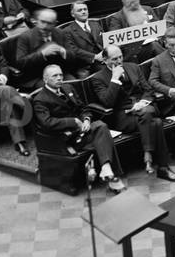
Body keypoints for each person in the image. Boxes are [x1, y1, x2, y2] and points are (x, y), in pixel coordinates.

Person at [91, 45, 175, 181]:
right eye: (114, 59)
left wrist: (143, 102)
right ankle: (162, 167)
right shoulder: (98, 78)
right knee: (156, 122)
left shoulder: (133, 67)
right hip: (125, 116)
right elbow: (108, 102)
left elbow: (148, 90)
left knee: (146, 112)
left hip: (144, 107)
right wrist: (115, 79)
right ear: (105, 60)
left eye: (120, 57)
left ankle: (148, 154)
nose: (119, 61)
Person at [34, 63, 125, 192]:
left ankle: (107, 170)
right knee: (103, 133)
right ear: (45, 79)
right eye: (55, 76)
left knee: (101, 127)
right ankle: (112, 176)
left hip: (83, 131)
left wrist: (87, 119)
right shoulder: (40, 99)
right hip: (65, 139)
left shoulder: (68, 88)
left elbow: (83, 108)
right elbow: (47, 122)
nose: (60, 78)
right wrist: (73, 121)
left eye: (61, 74)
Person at [0, 42, 31, 156]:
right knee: (7, 91)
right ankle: (30, 106)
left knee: (7, 99)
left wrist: (3, 76)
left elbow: (3, 64)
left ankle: (19, 142)